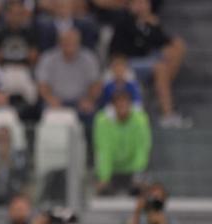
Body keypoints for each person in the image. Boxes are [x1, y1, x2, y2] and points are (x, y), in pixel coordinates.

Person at [109, 0, 187, 128]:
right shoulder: (124, 22)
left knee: (177, 47)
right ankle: (167, 114)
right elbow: (118, 50)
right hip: (128, 62)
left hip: (147, 59)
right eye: (138, 3)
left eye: (144, 3)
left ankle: (160, 90)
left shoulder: (150, 22)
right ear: (130, 6)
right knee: (160, 67)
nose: (142, 6)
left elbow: (162, 41)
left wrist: (153, 27)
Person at [36, 28, 101, 123]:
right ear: (59, 43)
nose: (70, 45)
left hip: (81, 101)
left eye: (73, 42)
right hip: (56, 100)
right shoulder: (48, 58)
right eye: (66, 42)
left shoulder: (89, 58)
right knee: (48, 112)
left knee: (91, 112)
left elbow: (96, 84)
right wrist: (50, 99)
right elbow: (42, 84)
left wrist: (89, 100)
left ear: (79, 43)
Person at [93, 89, 151, 195]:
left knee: (142, 187)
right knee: (102, 189)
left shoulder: (140, 120)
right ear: (113, 106)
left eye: (125, 103)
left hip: (134, 169)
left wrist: (137, 175)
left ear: (130, 105)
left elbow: (142, 149)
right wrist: (104, 177)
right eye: (118, 103)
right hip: (111, 169)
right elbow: (103, 150)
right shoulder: (102, 121)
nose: (122, 106)